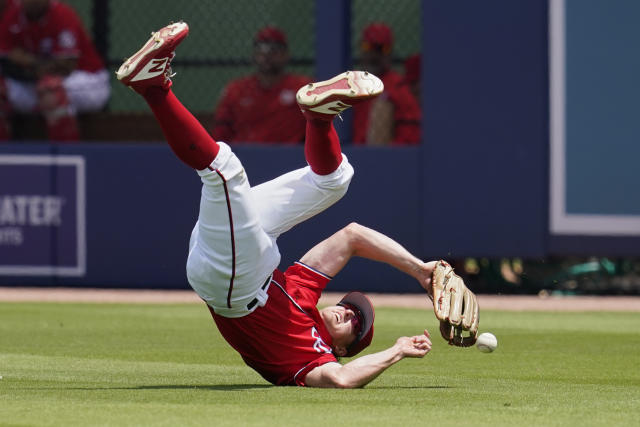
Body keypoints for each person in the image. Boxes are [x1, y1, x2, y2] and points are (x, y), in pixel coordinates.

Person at [116, 22, 473, 388]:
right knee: (334, 180)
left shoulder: (313, 352)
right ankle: (319, 119)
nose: (347, 314)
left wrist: (396, 350)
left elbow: (340, 379)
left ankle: (153, 87)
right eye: (351, 309)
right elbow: (352, 237)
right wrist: (420, 271)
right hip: (249, 260)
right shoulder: (303, 297)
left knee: (223, 169)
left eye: (355, 324)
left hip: (233, 286)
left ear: (343, 348)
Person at [0, 0, 110, 141]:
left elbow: (65, 67)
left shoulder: (62, 14)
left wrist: (27, 62)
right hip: (35, 83)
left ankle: (66, 157)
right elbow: (6, 57)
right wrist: (28, 64)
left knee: (51, 89)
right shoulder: (13, 15)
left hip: (86, 81)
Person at [210, 26, 311, 144]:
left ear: (285, 54)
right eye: (261, 50)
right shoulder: (236, 90)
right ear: (254, 54)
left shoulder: (302, 88)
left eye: (274, 50)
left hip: (291, 158)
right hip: (244, 158)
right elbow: (220, 133)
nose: (266, 56)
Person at [353, 23, 420, 145]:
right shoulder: (352, 83)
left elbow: (409, 136)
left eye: (382, 49)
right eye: (368, 47)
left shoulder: (398, 86)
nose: (374, 55)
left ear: (390, 52)